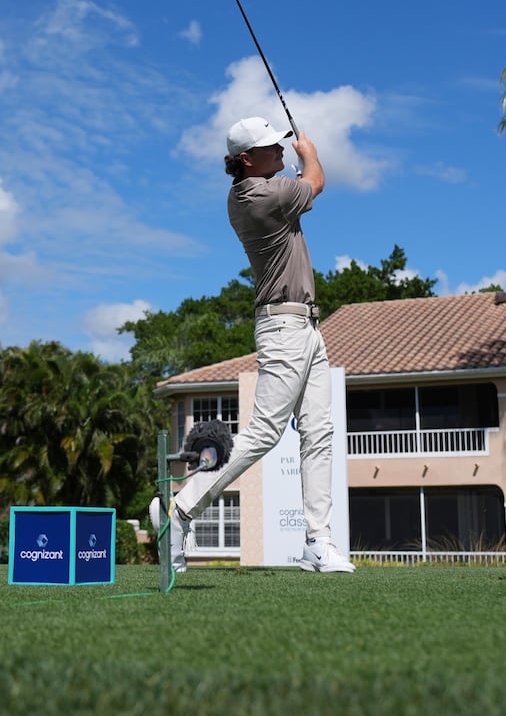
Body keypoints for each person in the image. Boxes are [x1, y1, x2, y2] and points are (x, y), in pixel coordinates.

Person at [151, 116, 355, 574]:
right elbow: (316, 182)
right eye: (271, 148)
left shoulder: (257, 190)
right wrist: (310, 154)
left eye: (281, 147)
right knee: (264, 432)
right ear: (246, 160)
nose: (280, 153)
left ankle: (318, 542)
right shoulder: (260, 195)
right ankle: (178, 511)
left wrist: (298, 158)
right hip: (283, 327)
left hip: (307, 328)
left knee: (319, 434)